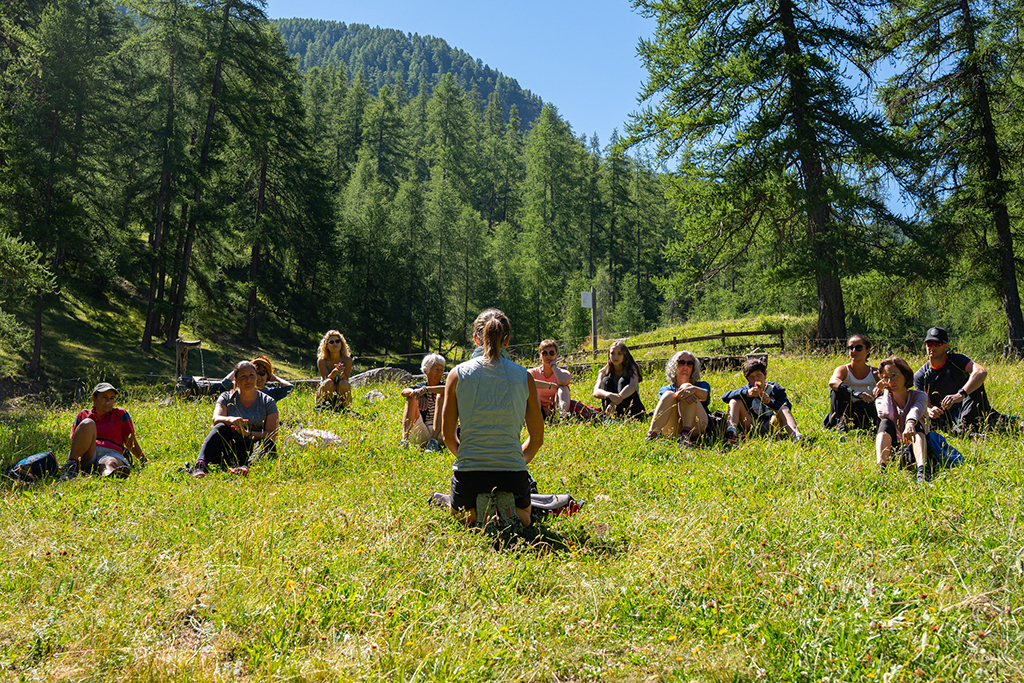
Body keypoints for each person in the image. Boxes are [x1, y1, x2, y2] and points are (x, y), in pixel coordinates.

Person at [441, 308, 544, 528]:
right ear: (507, 341)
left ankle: (478, 515)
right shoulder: (524, 376)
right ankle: (512, 513)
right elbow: (536, 439)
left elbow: (448, 436)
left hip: (470, 474)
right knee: (525, 517)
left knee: (460, 515)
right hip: (512, 474)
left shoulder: (457, 374)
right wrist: (514, 458)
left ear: (476, 339)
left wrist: (470, 456)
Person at [192, 361, 279, 478]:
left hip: (254, 446)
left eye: (252, 375)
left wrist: (249, 434)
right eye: (243, 376)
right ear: (236, 380)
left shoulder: (268, 402)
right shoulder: (226, 397)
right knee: (220, 427)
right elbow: (216, 419)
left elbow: (272, 433)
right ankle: (200, 465)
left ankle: (247, 467)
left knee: (267, 442)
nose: (248, 379)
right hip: (230, 445)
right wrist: (231, 420)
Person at [913, 326, 1002, 433]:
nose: (932, 347)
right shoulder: (920, 375)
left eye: (937, 344)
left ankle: (963, 429)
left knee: (977, 385)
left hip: (972, 409)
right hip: (945, 417)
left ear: (946, 346)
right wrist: (930, 411)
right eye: (929, 344)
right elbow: (923, 403)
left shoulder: (957, 360)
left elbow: (981, 372)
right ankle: (963, 431)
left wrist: (960, 395)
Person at [61, 382, 147, 480]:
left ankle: (109, 473)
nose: (108, 402)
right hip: (87, 453)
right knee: (88, 423)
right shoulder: (83, 415)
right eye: (104, 397)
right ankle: (71, 469)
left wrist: (143, 460)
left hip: (111, 452)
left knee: (110, 462)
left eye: (112, 398)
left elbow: (130, 441)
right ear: (94, 399)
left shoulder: (120, 414)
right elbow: (76, 442)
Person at [721, 357, 804, 446]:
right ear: (747, 379)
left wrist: (769, 402)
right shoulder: (747, 390)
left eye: (758, 375)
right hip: (750, 425)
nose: (755, 379)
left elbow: (787, 407)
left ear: (765, 374)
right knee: (734, 401)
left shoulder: (774, 389)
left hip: (771, 424)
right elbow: (724, 397)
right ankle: (731, 433)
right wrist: (746, 393)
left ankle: (796, 435)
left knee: (783, 408)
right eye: (751, 377)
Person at [876, 356, 931, 484]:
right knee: (885, 423)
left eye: (894, 375)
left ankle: (922, 471)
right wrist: (885, 391)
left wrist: (910, 423)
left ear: (905, 375)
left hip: (918, 446)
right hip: (895, 450)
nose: (890, 381)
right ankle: (881, 470)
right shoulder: (881, 400)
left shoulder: (920, 396)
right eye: (885, 377)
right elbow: (886, 413)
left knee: (916, 425)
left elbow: (916, 410)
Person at [645, 350, 711, 447]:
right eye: (681, 362)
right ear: (674, 366)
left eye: (689, 364)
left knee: (688, 391)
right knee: (668, 395)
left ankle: (686, 436)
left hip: (696, 425)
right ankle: (651, 435)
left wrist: (692, 389)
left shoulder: (701, 385)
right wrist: (680, 394)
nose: (685, 366)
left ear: (693, 368)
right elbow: (664, 405)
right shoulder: (666, 389)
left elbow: (705, 396)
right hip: (673, 426)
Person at [528, 340, 600, 421]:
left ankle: (561, 417)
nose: (548, 356)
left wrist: (553, 366)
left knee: (563, 388)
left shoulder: (563, 373)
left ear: (556, 355)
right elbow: (526, 381)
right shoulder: (533, 372)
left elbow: (563, 381)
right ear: (540, 356)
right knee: (531, 386)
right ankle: (537, 418)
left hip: (555, 408)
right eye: (544, 353)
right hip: (538, 409)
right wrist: (551, 385)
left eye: (551, 353)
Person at [823, 334, 880, 432]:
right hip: (845, 411)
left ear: (868, 351)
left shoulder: (875, 373)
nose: (854, 351)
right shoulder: (843, 370)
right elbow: (833, 382)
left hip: (867, 413)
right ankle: (841, 428)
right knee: (836, 392)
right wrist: (855, 393)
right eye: (851, 348)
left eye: (858, 348)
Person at [401, 353, 446, 450]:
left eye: (441, 370)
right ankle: (404, 440)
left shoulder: (444, 386)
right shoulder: (420, 387)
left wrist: (427, 389)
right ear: (426, 371)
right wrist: (416, 394)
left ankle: (433, 442)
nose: (440, 373)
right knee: (411, 398)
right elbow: (404, 392)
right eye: (437, 369)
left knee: (442, 396)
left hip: (443, 433)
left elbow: (450, 389)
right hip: (423, 432)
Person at [592, 341, 646, 419]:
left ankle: (625, 416)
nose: (615, 356)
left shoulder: (632, 369)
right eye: (612, 353)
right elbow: (596, 391)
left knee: (623, 381)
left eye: (619, 353)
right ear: (609, 355)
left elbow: (632, 386)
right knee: (606, 380)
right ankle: (611, 417)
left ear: (625, 355)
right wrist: (609, 395)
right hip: (612, 409)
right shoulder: (604, 371)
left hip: (632, 409)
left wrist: (614, 402)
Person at [219, 355, 293, 402]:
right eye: (254, 374)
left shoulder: (272, 393)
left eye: (262, 373)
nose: (258, 377)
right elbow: (225, 382)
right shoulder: (242, 389)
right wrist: (241, 367)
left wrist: (275, 378)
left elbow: (289, 388)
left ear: (268, 376)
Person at [316, 330, 353, 410]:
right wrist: (333, 373)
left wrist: (341, 374)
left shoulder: (347, 360)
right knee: (329, 382)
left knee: (344, 383)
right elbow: (325, 380)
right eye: (331, 342)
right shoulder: (321, 361)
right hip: (326, 390)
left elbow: (346, 379)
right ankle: (326, 406)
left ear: (341, 344)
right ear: (327, 345)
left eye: (337, 341)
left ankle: (343, 408)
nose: (335, 344)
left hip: (341, 389)